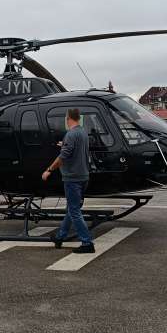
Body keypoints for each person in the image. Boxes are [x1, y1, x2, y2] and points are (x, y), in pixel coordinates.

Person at [42, 108, 94, 253]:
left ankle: (87, 243)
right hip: (83, 176)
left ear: (68, 118)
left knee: (74, 211)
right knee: (71, 209)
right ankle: (60, 237)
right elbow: (74, 149)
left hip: (72, 178)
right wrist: (64, 144)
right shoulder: (83, 132)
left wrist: (49, 170)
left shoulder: (70, 134)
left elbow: (63, 157)